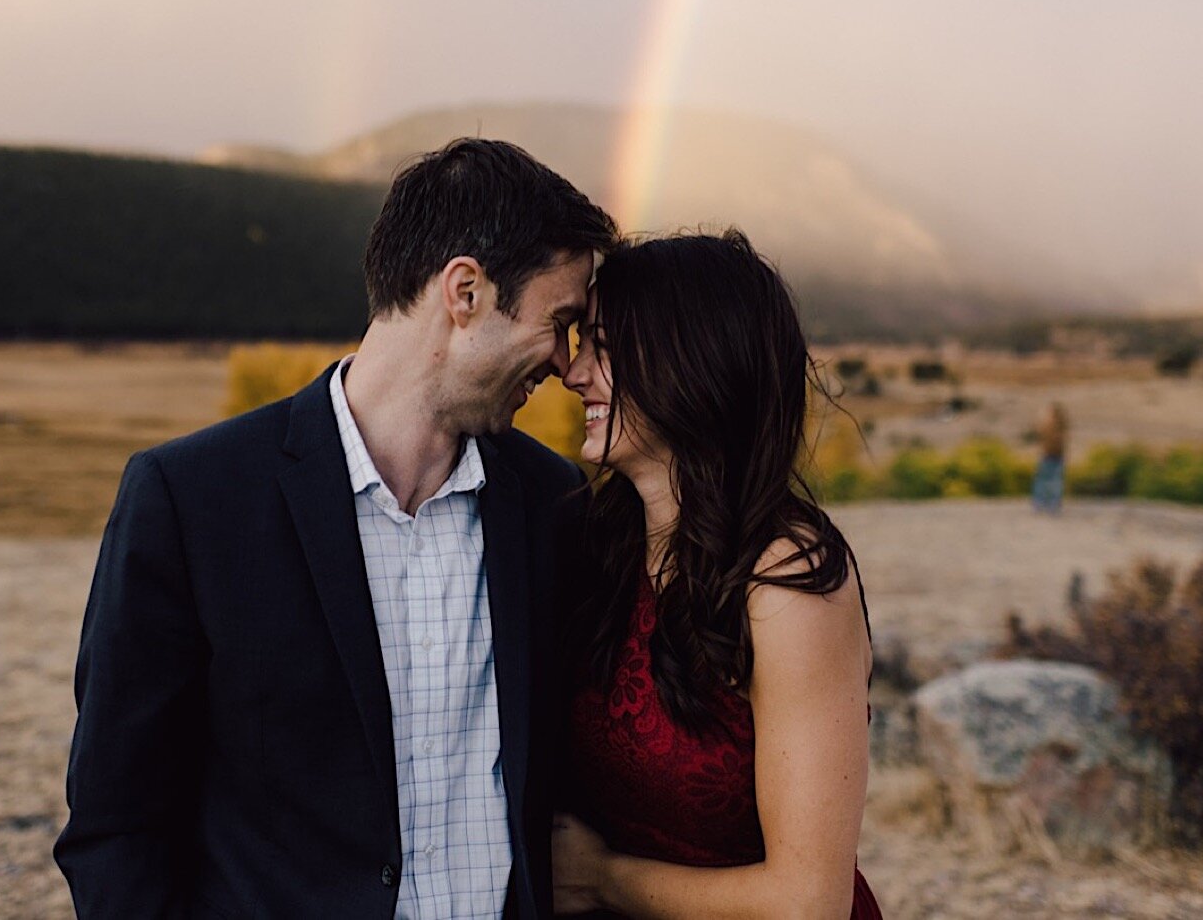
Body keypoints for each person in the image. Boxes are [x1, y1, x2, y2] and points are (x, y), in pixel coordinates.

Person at [54, 138, 618, 918]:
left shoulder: (554, 504)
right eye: (559, 322)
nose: (563, 362)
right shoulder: (190, 499)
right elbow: (115, 827)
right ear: (466, 293)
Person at [553, 231, 883, 919]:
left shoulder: (785, 582)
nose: (575, 371)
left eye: (605, 350)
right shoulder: (599, 543)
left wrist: (602, 879)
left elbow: (807, 903)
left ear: (691, 364)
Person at [1031, 402, 1068, 514]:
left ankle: (1046, 503)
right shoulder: (1056, 427)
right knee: (1050, 480)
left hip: (1050, 456)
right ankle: (1048, 503)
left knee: (1047, 480)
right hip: (1052, 455)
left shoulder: (1051, 427)